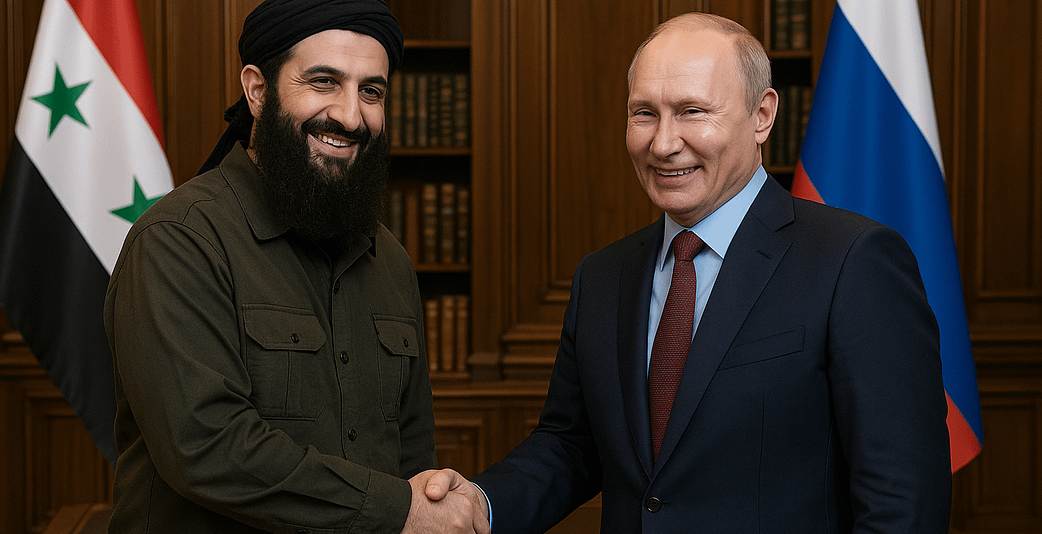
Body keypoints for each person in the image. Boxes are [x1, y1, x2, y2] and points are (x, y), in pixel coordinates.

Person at [430, 11, 951, 533]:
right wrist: (481, 503)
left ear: (762, 115)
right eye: (644, 113)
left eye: (692, 111)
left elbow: (902, 500)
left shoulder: (853, 261)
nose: (662, 144)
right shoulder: (602, 277)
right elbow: (573, 444)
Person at [104, 0, 487, 532]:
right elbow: (207, 447)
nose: (350, 116)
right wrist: (397, 509)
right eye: (324, 82)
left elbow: (413, 457)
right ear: (258, 91)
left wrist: (429, 503)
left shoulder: (391, 260)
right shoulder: (179, 240)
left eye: (371, 92)